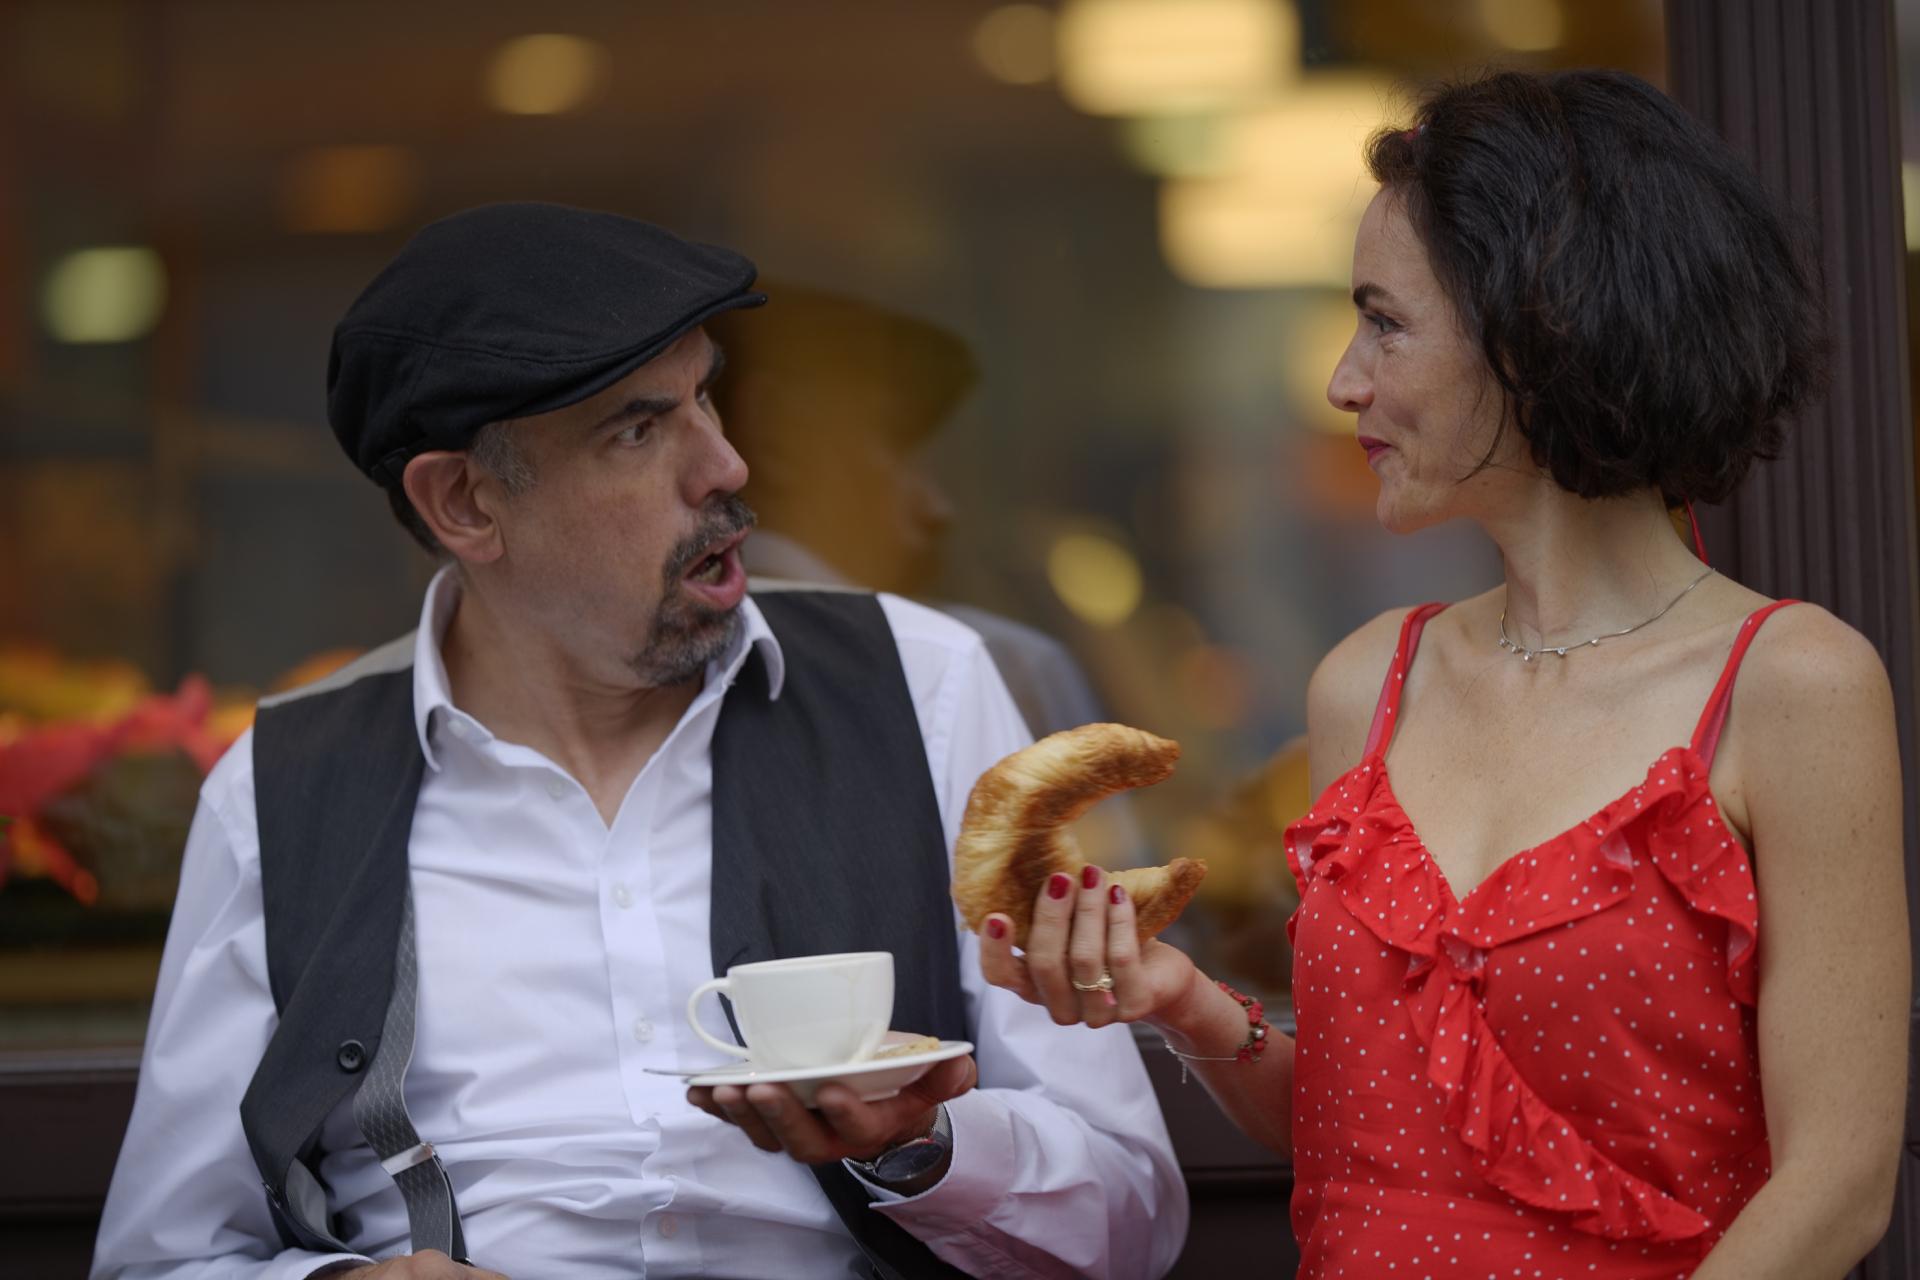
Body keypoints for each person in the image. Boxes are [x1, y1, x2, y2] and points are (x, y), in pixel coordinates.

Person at [91, 202, 1186, 1280]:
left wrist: (923, 1148)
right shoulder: (282, 785)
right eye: (639, 429)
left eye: (706, 397)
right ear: (465, 502)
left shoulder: (922, 683)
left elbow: (1131, 1220)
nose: (726, 466)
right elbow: (163, 1257)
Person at [981, 69, 1907, 1278]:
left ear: (1538, 331)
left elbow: (1839, 1186)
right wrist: (1181, 997)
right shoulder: (1367, 680)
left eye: (1385, 321)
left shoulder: (1790, 682)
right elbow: (1373, 1136)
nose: (1342, 379)